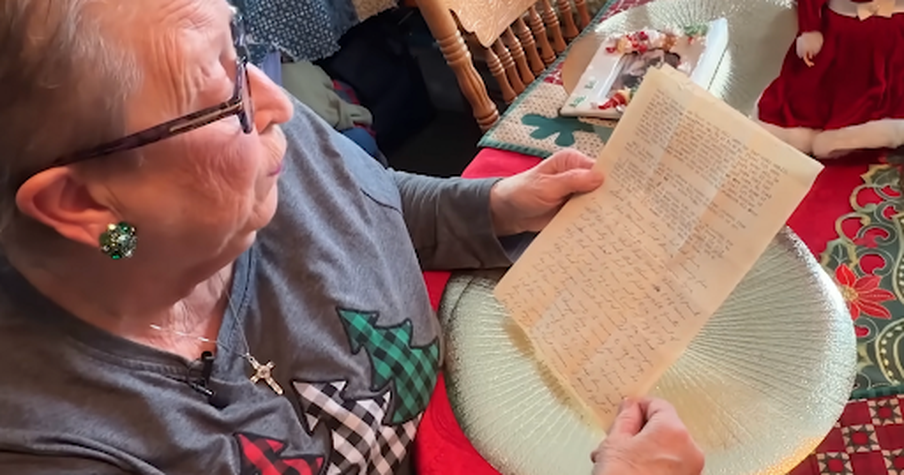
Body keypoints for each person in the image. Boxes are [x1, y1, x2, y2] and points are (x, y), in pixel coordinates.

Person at [0, 1, 703, 474]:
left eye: (237, 49)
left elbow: (363, 201)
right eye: (215, 92)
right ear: (80, 202)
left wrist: (493, 207)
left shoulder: (258, 140)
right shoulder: (53, 446)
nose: (276, 102)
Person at [756, 0, 904, 158]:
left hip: (896, 32)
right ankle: (838, 134)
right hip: (842, 35)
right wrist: (810, 28)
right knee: (825, 89)